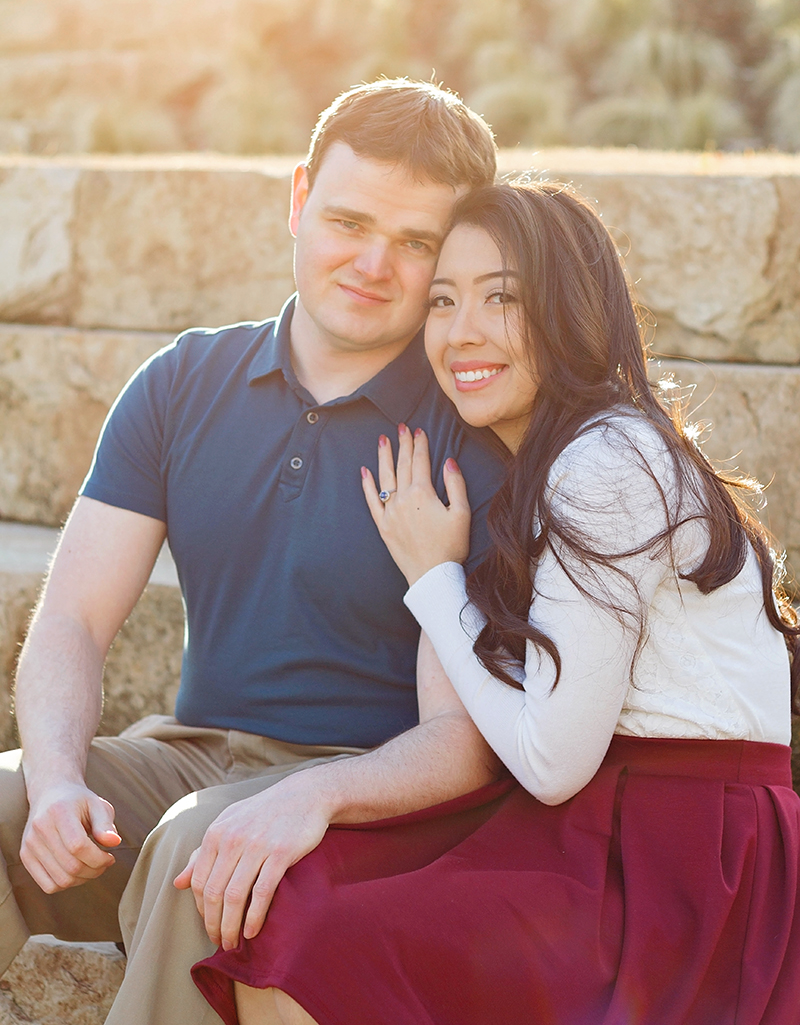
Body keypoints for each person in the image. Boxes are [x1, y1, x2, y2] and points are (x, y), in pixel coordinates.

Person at [194, 182, 800, 1025]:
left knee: (310, 935)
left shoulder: (606, 464)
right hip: (616, 820)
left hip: (686, 855)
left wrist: (433, 578)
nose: (461, 331)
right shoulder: (553, 463)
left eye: (502, 297)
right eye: (442, 301)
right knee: (296, 899)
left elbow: (551, 763)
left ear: (570, 308)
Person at [0, 79, 509, 1025]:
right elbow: (70, 617)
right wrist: (59, 779)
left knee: (210, 848)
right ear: (296, 201)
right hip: (195, 761)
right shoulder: (182, 382)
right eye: (348, 221)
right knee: (3, 797)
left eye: (416, 243)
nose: (371, 263)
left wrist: (313, 796)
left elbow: (468, 744)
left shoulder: (472, 429)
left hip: (371, 803)